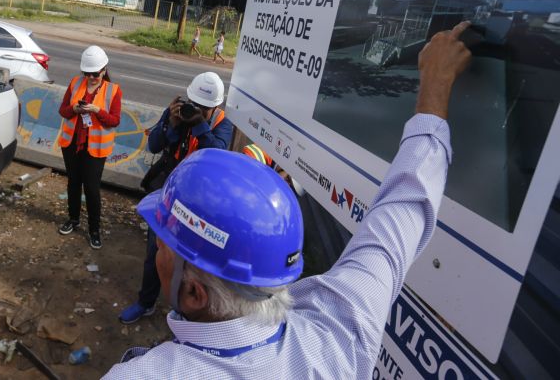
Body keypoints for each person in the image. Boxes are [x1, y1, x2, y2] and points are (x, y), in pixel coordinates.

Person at [103, 22, 473, 379]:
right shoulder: (338, 333)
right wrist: (435, 92)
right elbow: (402, 211)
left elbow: (401, 215)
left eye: (166, 247)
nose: (156, 252)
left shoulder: (145, 373)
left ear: (195, 292)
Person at [119, 71, 234, 324]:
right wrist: (170, 122)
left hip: (199, 201)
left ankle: (187, 312)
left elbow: (216, 154)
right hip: (170, 190)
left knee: (193, 261)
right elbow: (155, 146)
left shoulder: (223, 124)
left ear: (216, 106)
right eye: (195, 104)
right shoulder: (178, 112)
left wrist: (199, 126)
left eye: (204, 108)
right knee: (155, 251)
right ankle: (145, 302)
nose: (196, 110)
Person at [57, 45, 122, 249]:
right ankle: (73, 219)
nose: (91, 77)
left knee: (92, 189)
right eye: (87, 73)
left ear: (104, 70)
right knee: (73, 184)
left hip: (95, 149)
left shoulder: (113, 90)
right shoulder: (76, 83)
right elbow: (63, 110)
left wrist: (97, 110)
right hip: (72, 145)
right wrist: (75, 109)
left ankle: (94, 230)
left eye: (95, 74)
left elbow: (114, 120)